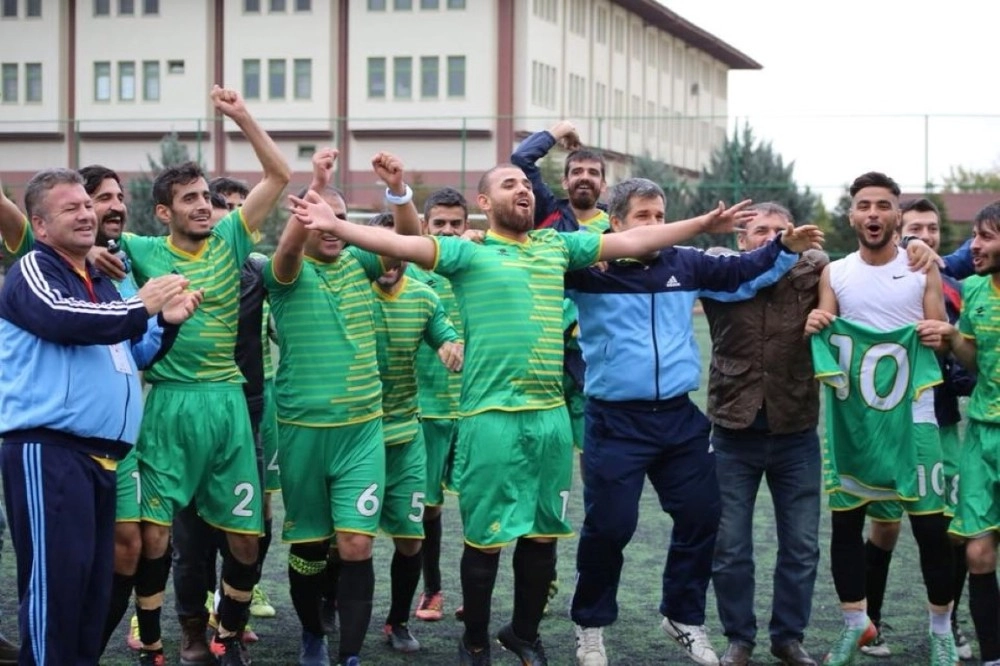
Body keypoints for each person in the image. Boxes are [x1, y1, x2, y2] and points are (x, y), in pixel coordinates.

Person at [287, 163, 767, 666]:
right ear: (486, 203)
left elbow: (630, 243)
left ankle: (524, 634)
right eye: (508, 184)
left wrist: (700, 225)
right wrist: (337, 224)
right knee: (486, 540)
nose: (521, 190)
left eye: (525, 184)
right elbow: (403, 244)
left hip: (550, 419)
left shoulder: (556, 247)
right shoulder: (468, 252)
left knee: (543, 536)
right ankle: (474, 642)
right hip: (490, 418)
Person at [565, 180, 822, 666]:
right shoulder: (587, 266)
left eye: (660, 215)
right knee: (610, 527)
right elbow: (531, 262)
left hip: (679, 418)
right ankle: (590, 626)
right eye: (643, 216)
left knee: (704, 516)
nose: (655, 225)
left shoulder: (685, 261)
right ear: (615, 222)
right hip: (615, 421)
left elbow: (747, 270)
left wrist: (785, 247)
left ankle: (682, 615)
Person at [98, 85, 290, 666]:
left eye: (207, 197)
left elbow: (278, 176)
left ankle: (228, 630)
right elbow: (87, 238)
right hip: (171, 405)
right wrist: (105, 252)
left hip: (229, 404)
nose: (204, 206)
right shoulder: (144, 248)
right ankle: (170, 640)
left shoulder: (231, 240)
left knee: (247, 537)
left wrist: (241, 116)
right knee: (156, 538)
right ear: (165, 212)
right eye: (190, 199)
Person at [0, 167, 201, 666]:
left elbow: (131, 354)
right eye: (72, 208)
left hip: (101, 460)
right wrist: (141, 304)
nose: (87, 214)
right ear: (41, 226)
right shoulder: (34, 269)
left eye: (86, 206)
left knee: (92, 591)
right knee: (56, 590)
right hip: (49, 451)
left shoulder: (99, 281)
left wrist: (165, 324)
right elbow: (62, 319)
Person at [263, 148, 421, 666]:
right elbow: (287, 254)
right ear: (303, 220)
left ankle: (349, 655)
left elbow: (408, 244)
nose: (332, 228)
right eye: (320, 219)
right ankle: (313, 633)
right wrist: (314, 185)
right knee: (310, 548)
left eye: (340, 220)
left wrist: (398, 194)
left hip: (361, 432)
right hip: (304, 431)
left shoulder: (360, 260)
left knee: (355, 545)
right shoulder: (282, 274)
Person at [803, 171, 958, 666]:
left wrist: (939, 332)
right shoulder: (836, 272)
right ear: (850, 215)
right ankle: (856, 625)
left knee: (932, 530)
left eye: (883, 206)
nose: (873, 214)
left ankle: (941, 632)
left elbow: (940, 330)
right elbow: (825, 322)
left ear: (897, 215)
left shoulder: (921, 270)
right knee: (846, 526)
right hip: (854, 421)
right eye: (864, 205)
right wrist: (815, 322)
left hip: (914, 418)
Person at [701, 203, 827, 666]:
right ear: (741, 238)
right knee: (729, 546)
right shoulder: (722, 269)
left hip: (796, 430)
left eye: (780, 230)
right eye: (760, 231)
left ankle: (788, 638)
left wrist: (918, 249)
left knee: (801, 546)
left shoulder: (814, 269)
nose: (772, 237)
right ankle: (740, 638)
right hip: (733, 430)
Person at [860, 197, 976, 661]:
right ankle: (872, 623)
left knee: (952, 530)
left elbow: (970, 356)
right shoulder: (874, 280)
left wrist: (957, 360)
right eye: (913, 229)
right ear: (896, 232)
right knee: (884, 526)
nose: (923, 237)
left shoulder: (955, 286)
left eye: (931, 229)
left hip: (941, 422)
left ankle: (950, 625)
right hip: (886, 424)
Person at [367, 212, 463, 652]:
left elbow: (443, 334)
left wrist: (449, 346)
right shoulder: (349, 294)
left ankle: (397, 621)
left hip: (407, 432)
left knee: (410, 538)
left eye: (397, 250)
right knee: (346, 540)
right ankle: (328, 610)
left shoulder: (424, 298)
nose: (390, 258)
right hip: (355, 434)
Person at [920, 201, 1000, 666]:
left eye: (986, 236)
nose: (974, 245)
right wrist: (952, 338)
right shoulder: (973, 290)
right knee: (977, 552)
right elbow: (974, 360)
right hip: (982, 436)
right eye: (975, 235)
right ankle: (991, 655)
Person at [406, 187, 468, 623]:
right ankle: (432, 591)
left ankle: (475, 594)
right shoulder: (410, 274)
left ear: (467, 227)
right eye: (439, 224)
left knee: (480, 503)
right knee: (427, 506)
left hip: (475, 406)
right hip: (426, 408)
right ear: (425, 227)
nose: (447, 231)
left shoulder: (476, 267)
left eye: (456, 224)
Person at [510, 119, 608, 232]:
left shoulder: (617, 222)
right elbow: (521, 158)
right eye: (577, 172)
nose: (584, 177)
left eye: (593, 173)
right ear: (565, 182)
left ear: (603, 184)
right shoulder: (547, 212)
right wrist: (564, 128)